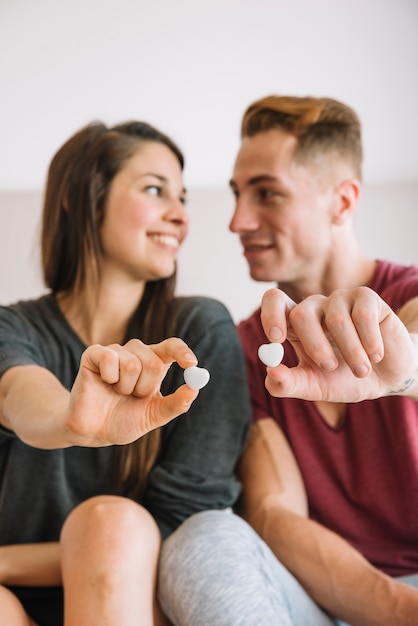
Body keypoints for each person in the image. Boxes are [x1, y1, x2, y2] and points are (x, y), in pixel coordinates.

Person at [0, 120, 251, 626]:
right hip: (17, 600)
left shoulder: (199, 331)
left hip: (132, 592)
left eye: (181, 197)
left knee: (108, 523)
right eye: (156, 190)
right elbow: (19, 394)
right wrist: (71, 420)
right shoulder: (12, 326)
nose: (179, 215)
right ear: (82, 198)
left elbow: (183, 519)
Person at [229, 95, 418, 625]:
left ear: (343, 201)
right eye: (237, 195)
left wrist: (399, 372)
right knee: (205, 539)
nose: (238, 220)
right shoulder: (248, 348)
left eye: (267, 193)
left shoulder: (408, 293)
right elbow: (274, 512)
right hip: (325, 595)